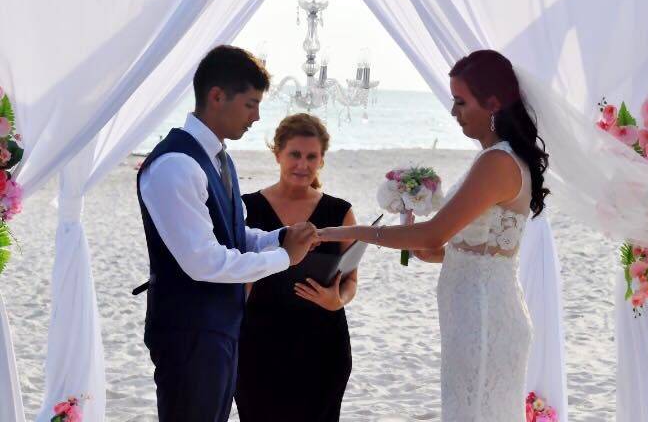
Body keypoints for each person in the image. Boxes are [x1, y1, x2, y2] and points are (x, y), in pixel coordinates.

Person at [318, 50, 550, 421]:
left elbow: (430, 235)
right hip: (474, 311)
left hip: (483, 316)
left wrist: (346, 232)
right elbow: (484, 246)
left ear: (493, 103)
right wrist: (446, 253)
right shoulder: (495, 157)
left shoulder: (498, 162)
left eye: (461, 101)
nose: (454, 112)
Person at [136, 46, 318, 422]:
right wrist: (285, 258)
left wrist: (281, 236)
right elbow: (204, 261)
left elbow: (232, 236)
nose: (257, 116)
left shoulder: (220, 157)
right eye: (251, 104)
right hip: (188, 334)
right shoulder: (175, 165)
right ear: (217, 96)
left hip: (218, 328)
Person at [235, 113, 357, 422]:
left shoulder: (340, 211)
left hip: (323, 344)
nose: (302, 164)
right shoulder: (246, 207)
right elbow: (233, 270)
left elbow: (351, 278)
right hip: (258, 342)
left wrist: (337, 299)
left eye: (311, 156)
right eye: (294, 154)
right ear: (277, 154)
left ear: (321, 160)